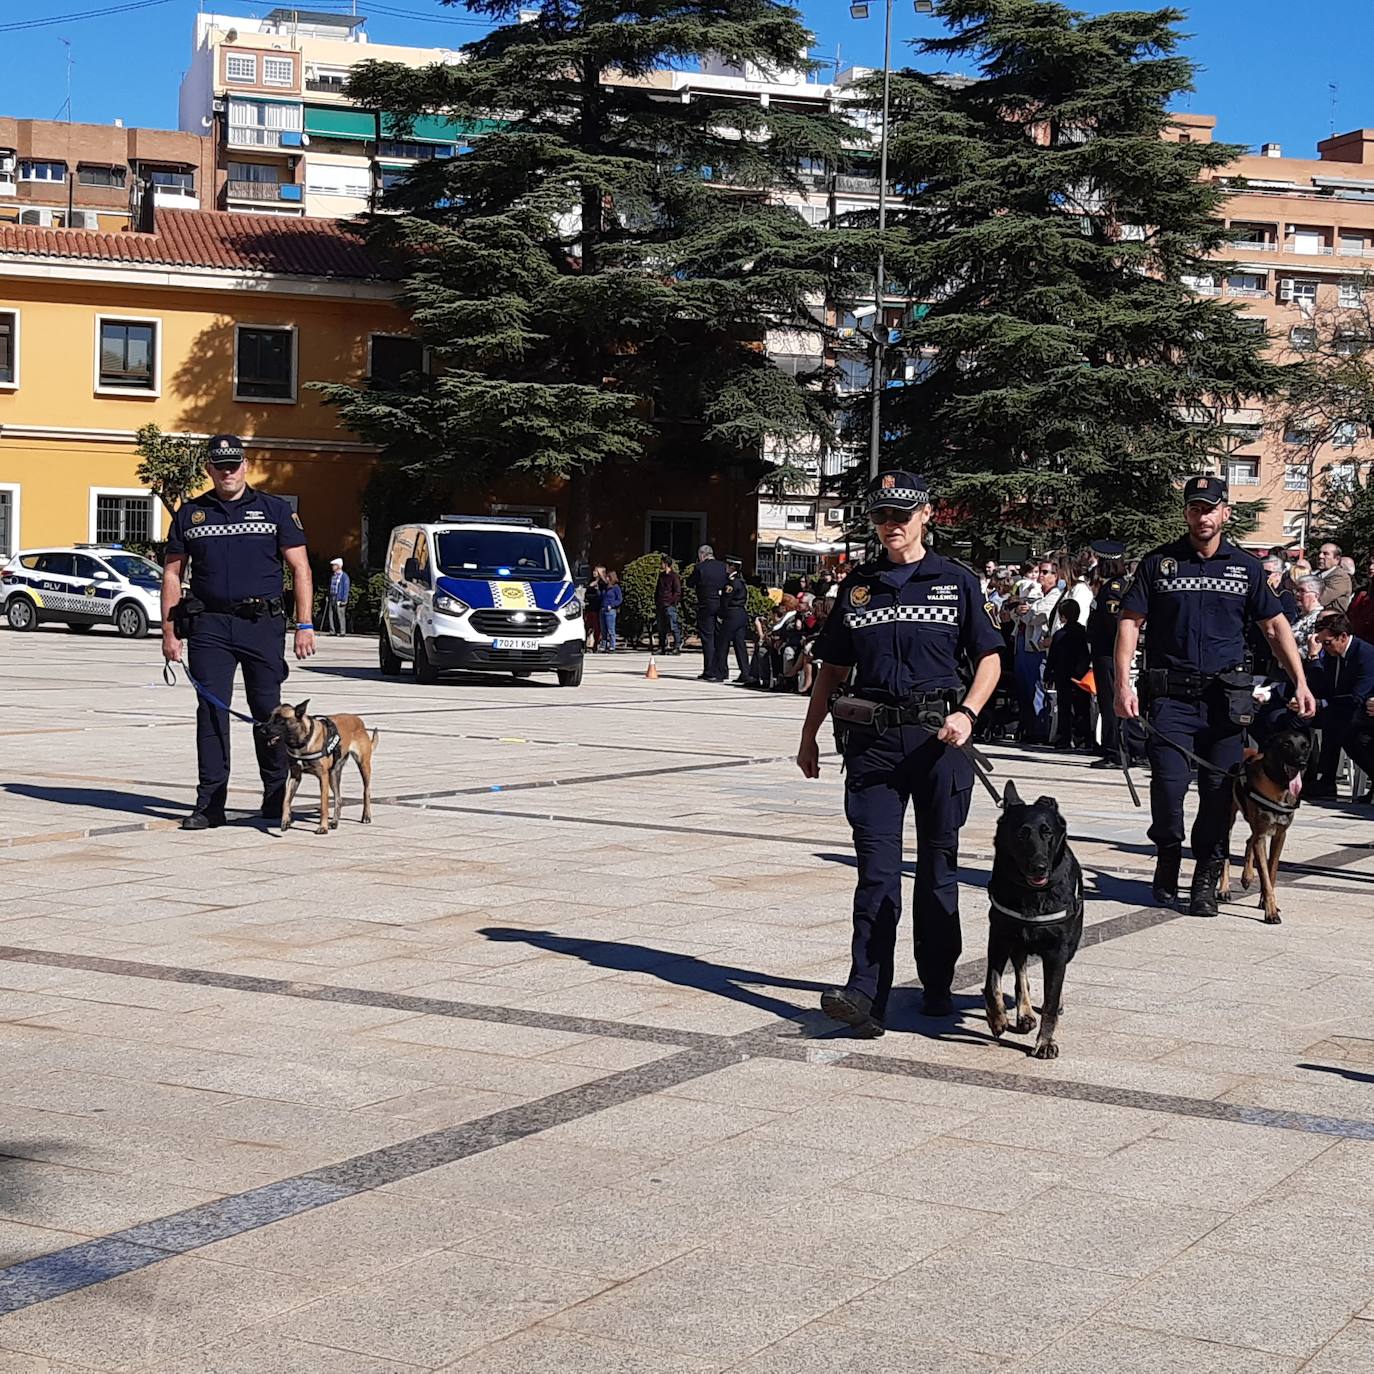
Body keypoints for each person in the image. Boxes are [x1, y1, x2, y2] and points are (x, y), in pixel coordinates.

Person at [796, 470, 1003, 1035]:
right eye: (882, 515)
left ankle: (936, 983)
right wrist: (809, 734)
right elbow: (834, 667)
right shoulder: (858, 586)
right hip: (874, 747)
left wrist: (968, 713)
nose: (891, 524)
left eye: (902, 515)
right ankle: (866, 994)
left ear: (925, 515)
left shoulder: (956, 581)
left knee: (937, 871)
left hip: (940, 743)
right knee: (876, 873)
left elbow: (990, 657)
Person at [1115, 474, 1314, 916]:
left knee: (1218, 794)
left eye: (1209, 509)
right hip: (1171, 700)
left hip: (1225, 702)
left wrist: (1300, 680)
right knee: (1168, 789)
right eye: (1194, 508)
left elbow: (1275, 627)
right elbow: (1130, 622)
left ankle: (1206, 877)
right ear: (1186, 513)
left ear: (1225, 513)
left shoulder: (1245, 568)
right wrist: (1122, 684)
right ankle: (1168, 857)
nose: (1202, 516)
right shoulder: (1159, 563)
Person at [160, 434, 315, 831]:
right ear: (209, 469)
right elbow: (173, 574)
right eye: (220, 466)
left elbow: (300, 568)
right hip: (210, 627)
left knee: (269, 713)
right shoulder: (191, 514)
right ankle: (210, 803)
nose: (228, 472)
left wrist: (305, 624)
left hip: (261, 624)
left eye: (234, 465)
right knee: (211, 712)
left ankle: (276, 795)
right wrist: (169, 632)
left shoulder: (274, 510)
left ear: (246, 466)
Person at [1303, 613, 1374, 797]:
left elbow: (1357, 697)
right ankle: (1315, 778)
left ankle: (1327, 779)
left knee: (1343, 728)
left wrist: (1323, 703)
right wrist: (1313, 657)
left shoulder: (1365, 655)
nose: (1325, 648)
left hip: (1364, 712)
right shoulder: (1331, 654)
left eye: (1327, 643)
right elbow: (1321, 687)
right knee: (1299, 719)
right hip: (1340, 710)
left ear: (1343, 637)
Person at [1087, 540, 1141, 769]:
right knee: (1111, 701)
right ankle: (1123, 747)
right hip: (1106, 653)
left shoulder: (1114, 589)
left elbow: (1113, 624)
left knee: (1112, 702)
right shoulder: (1114, 586)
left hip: (1109, 653)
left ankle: (1117, 752)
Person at [1013, 557, 1062, 744]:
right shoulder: (1032, 590)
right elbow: (1017, 612)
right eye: (1040, 571)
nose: (1040, 575)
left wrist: (1026, 611)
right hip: (1022, 641)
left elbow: (1037, 616)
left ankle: (1040, 730)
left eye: (1046, 572)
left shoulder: (1055, 595)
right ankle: (1028, 726)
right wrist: (1019, 611)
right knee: (1024, 688)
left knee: (1037, 688)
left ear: (1056, 576)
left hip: (1037, 647)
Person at [1047, 599, 1092, 751]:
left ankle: (1065, 738)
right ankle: (1085, 737)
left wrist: (1048, 674)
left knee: (1064, 708)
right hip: (1080, 676)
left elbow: (1052, 657)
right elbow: (1086, 654)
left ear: (1063, 616)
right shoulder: (1083, 633)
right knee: (1083, 708)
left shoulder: (1059, 635)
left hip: (1063, 675)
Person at [687, 544, 729, 681]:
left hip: (706, 606)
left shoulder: (700, 567)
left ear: (701, 555)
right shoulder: (724, 566)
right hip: (722, 605)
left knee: (708, 638)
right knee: (721, 638)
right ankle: (722, 669)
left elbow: (689, 583)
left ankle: (710, 670)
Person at [711, 555, 753, 684]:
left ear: (732, 567)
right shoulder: (740, 582)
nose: (726, 568)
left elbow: (725, 601)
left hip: (731, 615)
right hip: (740, 615)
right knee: (740, 645)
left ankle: (721, 672)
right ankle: (745, 672)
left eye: (728, 565)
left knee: (722, 644)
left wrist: (720, 615)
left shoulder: (731, 583)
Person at [654, 555, 682, 655]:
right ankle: (662, 647)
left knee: (673, 626)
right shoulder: (661, 576)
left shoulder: (674, 576)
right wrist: (657, 601)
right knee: (661, 627)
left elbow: (677, 591)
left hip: (669, 605)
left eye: (662, 563)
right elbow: (658, 590)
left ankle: (676, 647)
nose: (660, 565)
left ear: (666, 564)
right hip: (660, 604)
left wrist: (672, 602)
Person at [1291, 577, 1325, 658]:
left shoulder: (1319, 618)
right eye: (1297, 590)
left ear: (1316, 596)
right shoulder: (1299, 617)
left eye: (1302, 591)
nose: (1297, 594)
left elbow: (1312, 648)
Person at [1316, 541, 1354, 612]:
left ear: (1337, 559)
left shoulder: (1340, 577)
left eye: (1326, 554)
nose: (1320, 556)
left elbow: (1320, 600)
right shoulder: (1317, 575)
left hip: (1330, 617)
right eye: (1319, 553)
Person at [321, 557, 350, 637]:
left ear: (339, 566)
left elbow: (346, 589)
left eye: (334, 565)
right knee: (331, 614)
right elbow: (330, 586)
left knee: (340, 615)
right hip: (332, 596)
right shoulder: (333, 576)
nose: (332, 567)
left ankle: (342, 631)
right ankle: (332, 630)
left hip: (339, 597)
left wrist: (344, 600)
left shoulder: (344, 577)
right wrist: (328, 595)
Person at [598, 570, 622, 652]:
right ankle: (603, 645)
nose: (607, 579)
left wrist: (612, 605)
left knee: (610, 629)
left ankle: (612, 645)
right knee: (603, 629)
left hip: (610, 611)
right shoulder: (605, 587)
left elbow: (619, 599)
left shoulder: (615, 587)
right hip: (602, 609)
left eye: (608, 577)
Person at [583, 566, 604, 651]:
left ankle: (596, 644)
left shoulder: (601, 583)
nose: (594, 573)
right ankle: (585, 645)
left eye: (596, 571)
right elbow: (586, 594)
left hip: (597, 609)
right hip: (589, 608)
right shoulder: (590, 582)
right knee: (587, 627)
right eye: (593, 571)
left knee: (597, 628)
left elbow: (601, 596)